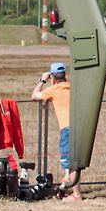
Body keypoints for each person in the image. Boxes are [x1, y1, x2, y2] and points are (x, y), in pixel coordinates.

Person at [31, 62, 82, 200]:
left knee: (69, 161)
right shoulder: (73, 87)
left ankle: (76, 194)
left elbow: (34, 96)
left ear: (52, 79)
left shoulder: (54, 89)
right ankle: (67, 180)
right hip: (80, 127)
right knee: (76, 160)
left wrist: (42, 80)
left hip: (67, 128)